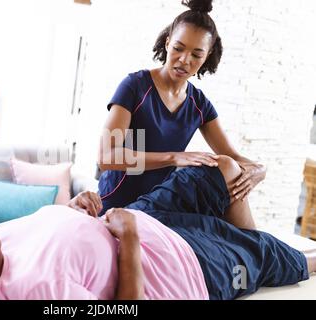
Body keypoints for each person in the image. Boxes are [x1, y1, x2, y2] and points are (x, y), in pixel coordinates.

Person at [0, 157, 313, 300]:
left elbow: (54, 227)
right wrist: (128, 238)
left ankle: (244, 234)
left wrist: (76, 208)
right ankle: (262, 252)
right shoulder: (38, 288)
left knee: (216, 172)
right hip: (189, 265)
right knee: (277, 254)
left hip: (145, 216)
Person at [97, 0, 266, 228]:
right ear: (167, 43)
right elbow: (107, 157)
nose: (185, 60)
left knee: (225, 180)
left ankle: (257, 253)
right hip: (118, 206)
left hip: (162, 206)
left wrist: (260, 171)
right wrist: (175, 157)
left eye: (196, 55)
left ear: (207, 56)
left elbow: (232, 158)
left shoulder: (199, 104)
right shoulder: (135, 87)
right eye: (178, 48)